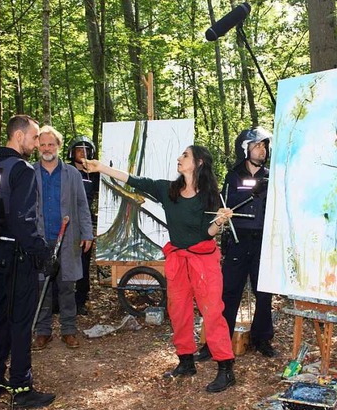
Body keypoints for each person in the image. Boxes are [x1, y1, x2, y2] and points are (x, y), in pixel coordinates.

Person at [83, 145, 237, 393]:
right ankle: (186, 361)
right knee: (178, 310)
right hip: (177, 258)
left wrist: (218, 221)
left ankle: (226, 368)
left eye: (185, 155)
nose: (179, 158)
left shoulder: (210, 195)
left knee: (211, 312)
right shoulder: (169, 190)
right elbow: (134, 180)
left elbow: (204, 233)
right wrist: (101, 167)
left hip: (203, 260)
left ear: (198, 163)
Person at [0, 115, 55, 409]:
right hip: (17, 257)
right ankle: (22, 388)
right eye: (34, 137)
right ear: (19, 136)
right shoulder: (21, 170)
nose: (36, 143)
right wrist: (41, 252)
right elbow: (24, 219)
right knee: (21, 322)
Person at [194, 127, 275, 362]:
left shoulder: (272, 176)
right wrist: (250, 195)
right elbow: (224, 206)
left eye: (264, 146)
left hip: (262, 241)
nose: (262, 150)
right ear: (245, 148)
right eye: (258, 145)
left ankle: (262, 339)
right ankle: (216, 342)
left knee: (264, 292)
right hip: (238, 242)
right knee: (229, 293)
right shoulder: (233, 176)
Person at [32, 127, 94, 350]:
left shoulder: (72, 174)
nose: (47, 148)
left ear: (59, 146)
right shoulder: (30, 172)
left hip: (67, 238)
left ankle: (68, 330)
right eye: (43, 144)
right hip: (39, 239)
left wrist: (87, 233)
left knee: (67, 286)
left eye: (51, 144)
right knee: (42, 286)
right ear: (38, 147)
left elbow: (81, 205)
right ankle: (43, 331)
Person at [66, 136, 100, 315]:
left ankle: (81, 300)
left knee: (83, 263)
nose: (83, 153)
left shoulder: (95, 174)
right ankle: (58, 300)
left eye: (87, 150)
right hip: (66, 222)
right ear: (72, 152)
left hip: (85, 224)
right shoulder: (65, 171)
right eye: (79, 150)